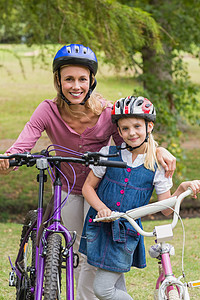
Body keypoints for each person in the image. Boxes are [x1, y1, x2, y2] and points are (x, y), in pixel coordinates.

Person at [0, 45, 176, 300]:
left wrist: (160, 150)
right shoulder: (47, 110)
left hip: (101, 191)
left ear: (91, 81)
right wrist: (9, 159)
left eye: (82, 79)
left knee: (92, 255)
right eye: (68, 79)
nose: (76, 86)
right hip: (68, 188)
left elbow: (133, 142)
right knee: (72, 252)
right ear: (58, 81)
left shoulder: (107, 113)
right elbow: (23, 143)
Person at [79, 96, 200, 300]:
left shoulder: (157, 165)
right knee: (113, 284)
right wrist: (101, 208)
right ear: (118, 131)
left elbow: (166, 209)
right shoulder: (107, 154)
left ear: (149, 126)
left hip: (125, 234)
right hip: (99, 228)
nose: (131, 132)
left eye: (137, 126)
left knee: (103, 289)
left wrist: (180, 189)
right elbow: (88, 188)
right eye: (125, 128)